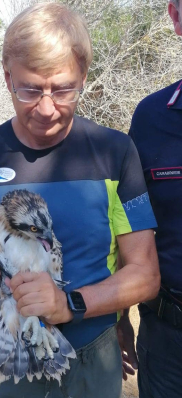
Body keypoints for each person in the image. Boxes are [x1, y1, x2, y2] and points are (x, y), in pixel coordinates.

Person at [0, 3, 160, 398]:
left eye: (63, 88)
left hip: (89, 355)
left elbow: (145, 275)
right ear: (7, 76)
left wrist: (70, 305)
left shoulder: (115, 153)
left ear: (83, 76)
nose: (46, 109)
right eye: (29, 89)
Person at [117, 1, 182, 397]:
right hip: (166, 340)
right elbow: (131, 222)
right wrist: (119, 314)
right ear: (176, 16)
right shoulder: (150, 118)